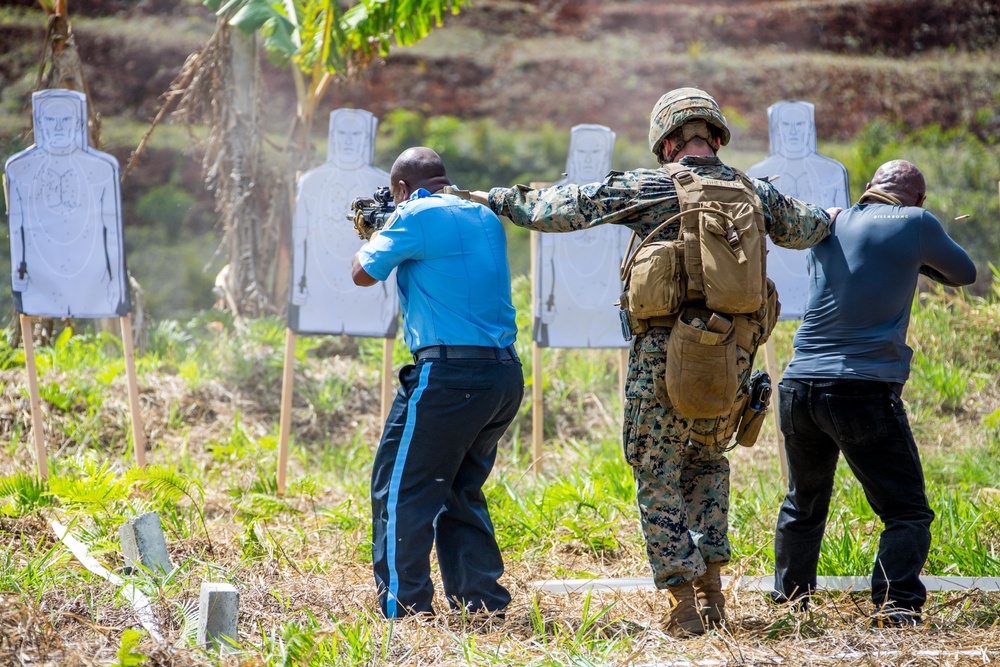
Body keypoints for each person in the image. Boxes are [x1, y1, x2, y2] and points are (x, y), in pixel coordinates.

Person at [480, 88, 836, 636]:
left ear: (667, 143)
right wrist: (843, 213)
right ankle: (714, 595)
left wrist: (493, 199)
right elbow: (811, 226)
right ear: (716, 138)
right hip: (733, 359)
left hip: (661, 360)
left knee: (656, 472)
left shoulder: (651, 186)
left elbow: (559, 209)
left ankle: (683, 608)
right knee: (710, 464)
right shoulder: (755, 191)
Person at [771, 159, 976, 627]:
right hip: (862, 389)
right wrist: (920, 260)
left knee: (803, 503)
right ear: (919, 199)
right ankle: (894, 607)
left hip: (799, 383)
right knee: (906, 512)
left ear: (868, 189)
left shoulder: (831, 218)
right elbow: (964, 273)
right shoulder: (917, 222)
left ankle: (789, 606)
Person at [351, 147, 524, 619]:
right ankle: (481, 605)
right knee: (458, 489)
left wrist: (383, 227)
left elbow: (362, 273)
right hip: (502, 376)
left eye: (395, 196)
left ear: (403, 190)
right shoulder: (484, 215)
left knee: (399, 487)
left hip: (449, 376)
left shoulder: (414, 215)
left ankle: (403, 608)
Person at [6, 88, 129, 318]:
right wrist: (18, 272)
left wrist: (115, 280)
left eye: (66, 120)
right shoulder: (20, 169)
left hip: (93, 273)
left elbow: (111, 228)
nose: (59, 127)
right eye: (52, 120)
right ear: (41, 124)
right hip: (40, 272)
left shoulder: (102, 169)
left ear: (78, 123)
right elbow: (18, 227)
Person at [289, 108, 397, 336]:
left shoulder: (381, 183)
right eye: (342, 133)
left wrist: (391, 300)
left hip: (368, 289)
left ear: (366, 138)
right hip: (320, 288)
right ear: (333, 136)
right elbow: (301, 240)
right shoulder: (311, 182)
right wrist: (299, 283)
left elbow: (392, 244)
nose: (348, 141)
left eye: (356, 134)